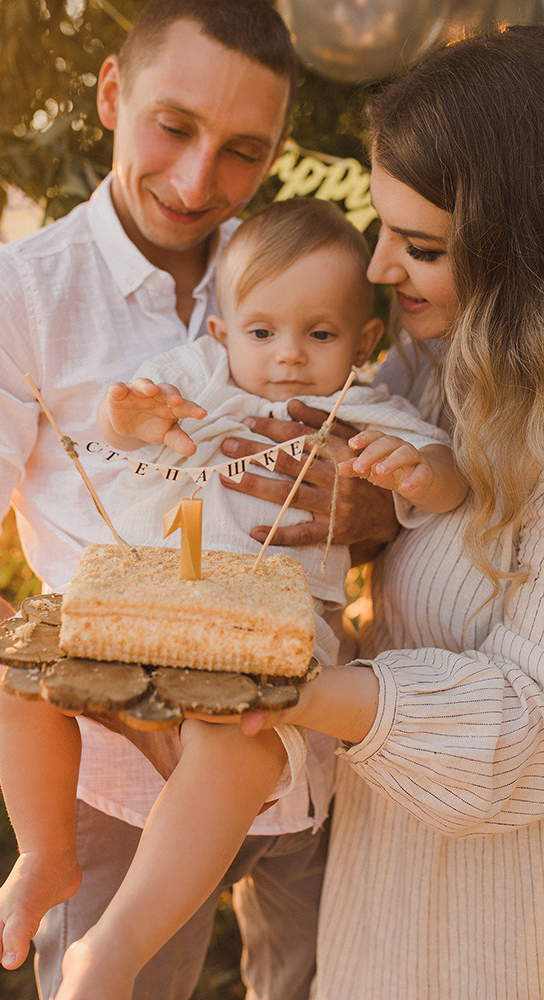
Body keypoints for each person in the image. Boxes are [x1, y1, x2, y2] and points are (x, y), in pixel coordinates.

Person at [0, 3, 397, 998]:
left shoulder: (301, 276)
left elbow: (400, 480)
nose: (198, 180)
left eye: (242, 151)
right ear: (113, 93)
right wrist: (143, 716)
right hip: (123, 801)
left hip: (322, 770)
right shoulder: (15, 298)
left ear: (277, 151)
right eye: (174, 126)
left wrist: (365, 513)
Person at [0, 196, 468, 1000]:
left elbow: (443, 474)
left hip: (266, 631)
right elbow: (116, 416)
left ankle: (116, 945)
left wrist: (413, 473)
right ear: (220, 334)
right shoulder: (193, 378)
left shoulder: (360, 409)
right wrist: (128, 413)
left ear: (364, 341)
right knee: (19, 673)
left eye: (320, 334)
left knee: (235, 745)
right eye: (262, 332)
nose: (286, 358)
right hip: (147, 600)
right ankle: (42, 852)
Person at [197, 25, 544, 1000]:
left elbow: (529, 733)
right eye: (384, 228)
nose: (380, 270)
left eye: (422, 245)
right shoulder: (438, 366)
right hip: (381, 890)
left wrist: (286, 689)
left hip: (502, 929)